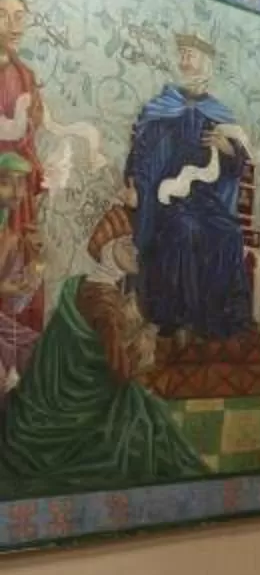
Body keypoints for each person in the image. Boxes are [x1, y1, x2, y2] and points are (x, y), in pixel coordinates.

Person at [0, 200, 204, 495]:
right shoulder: (104, 303)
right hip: (84, 408)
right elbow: (118, 369)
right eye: (128, 245)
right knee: (150, 426)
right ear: (107, 248)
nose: (137, 252)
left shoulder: (80, 286)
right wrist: (144, 356)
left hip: (54, 402)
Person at [124, 29, 260, 397]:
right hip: (165, 201)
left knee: (227, 233)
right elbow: (141, 149)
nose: (186, 61)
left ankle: (215, 319)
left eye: (192, 55)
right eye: (183, 55)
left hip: (204, 199)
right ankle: (178, 320)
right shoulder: (163, 106)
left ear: (205, 63)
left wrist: (227, 149)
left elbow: (236, 167)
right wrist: (131, 182)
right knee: (184, 230)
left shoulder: (217, 112)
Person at [0, 0, 45, 398]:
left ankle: (16, 389)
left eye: (20, 17)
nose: (15, 25)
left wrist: (35, 171)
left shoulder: (24, 75)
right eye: (5, 15)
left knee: (23, 274)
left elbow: (27, 139)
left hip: (18, 199)